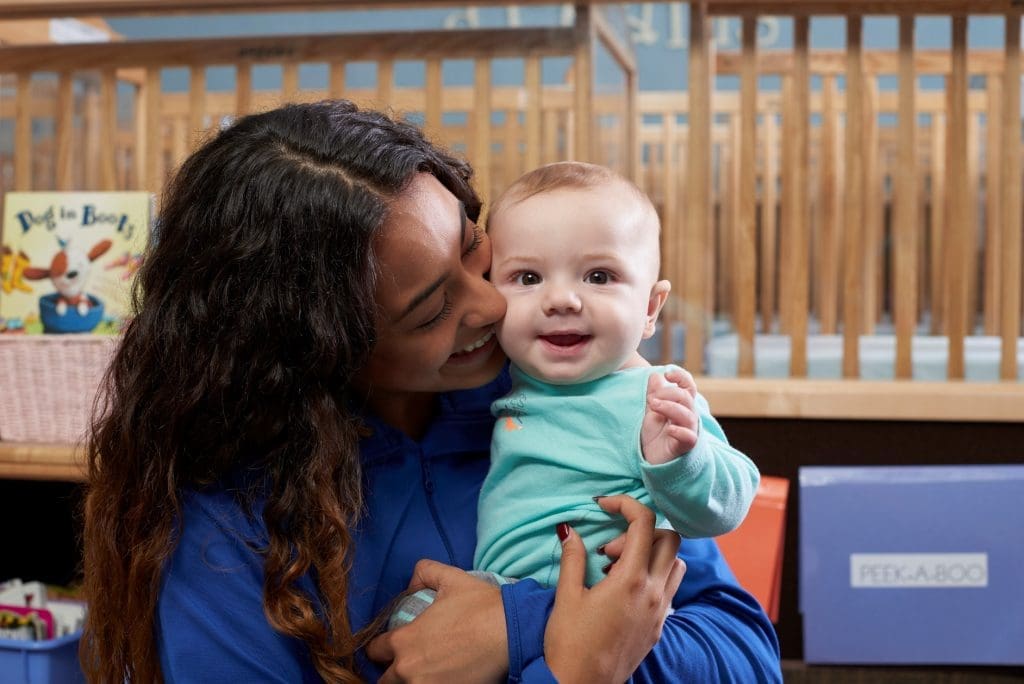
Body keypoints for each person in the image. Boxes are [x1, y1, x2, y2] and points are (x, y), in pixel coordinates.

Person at [80, 99, 781, 683]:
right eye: (430, 310)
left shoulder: (573, 398)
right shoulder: (230, 525)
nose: (491, 306)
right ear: (323, 351)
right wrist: (574, 660)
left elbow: (746, 653)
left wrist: (523, 629)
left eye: (475, 249)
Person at [390, 162, 760, 628]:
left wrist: (679, 461)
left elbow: (729, 502)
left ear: (650, 308)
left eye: (599, 276)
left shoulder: (656, 397)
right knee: (407, 627)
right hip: (497, 590)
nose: (561, 299)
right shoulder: (507, 381)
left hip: (596, 600)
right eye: (528, 278)